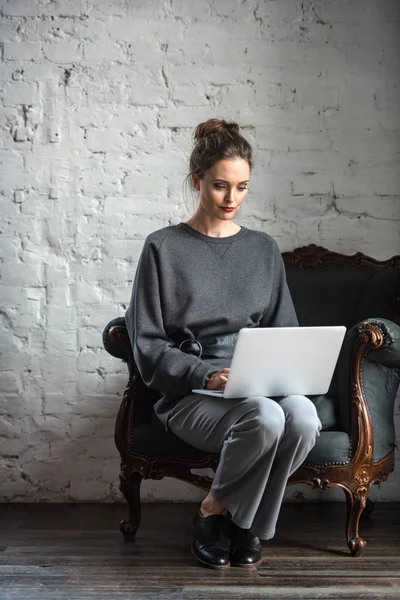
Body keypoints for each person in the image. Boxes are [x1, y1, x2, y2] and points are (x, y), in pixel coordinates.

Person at [125, 118, 322, 570]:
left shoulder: (263, 250)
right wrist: (206, 375)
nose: (231, 199)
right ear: (197, 182)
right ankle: (232, 521)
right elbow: (148, 344)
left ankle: (227, 515)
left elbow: (284, 331)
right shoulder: (163, 248)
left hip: (258, 385)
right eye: (219, 186)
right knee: (268, 417)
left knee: (304, 417)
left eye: (242, 187)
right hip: (190, 395)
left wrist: (286, 369)